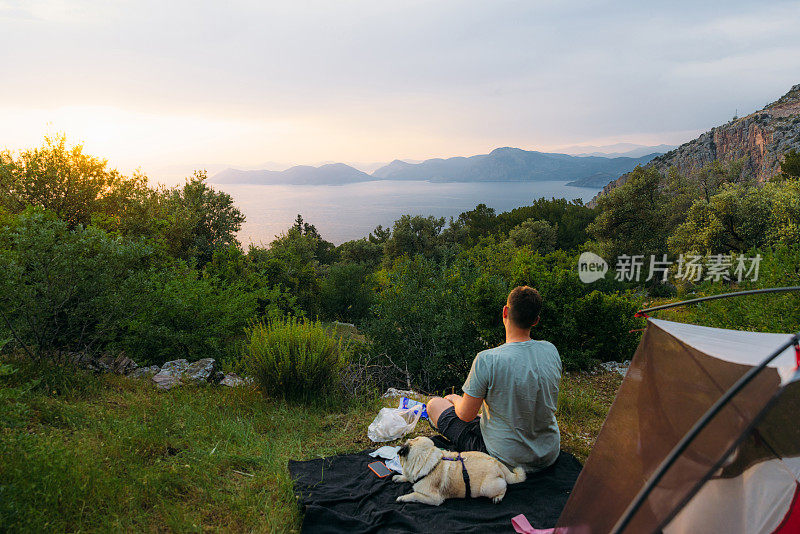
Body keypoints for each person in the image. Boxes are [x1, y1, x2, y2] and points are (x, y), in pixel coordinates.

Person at [426, 286, 561, 472]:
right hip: (547, 454)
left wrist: (454, 399)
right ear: (536, 321)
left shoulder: (487, 359)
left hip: (505, 460)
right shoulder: (551, 351)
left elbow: (466, 415)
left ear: (505, 312)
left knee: (434, 404)